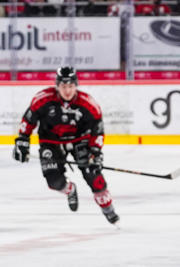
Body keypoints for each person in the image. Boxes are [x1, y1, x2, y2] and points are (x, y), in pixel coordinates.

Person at [13, 67, 119, 225]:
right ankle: (70, 190)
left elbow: (97, 129)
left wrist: (95, 153)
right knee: (54, 181)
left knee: (93, 175)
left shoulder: (88, 104)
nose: (67, 90)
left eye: (71, 86)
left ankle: (108, 209)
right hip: (51, 141)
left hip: (80, 140)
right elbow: (29, 120)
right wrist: (22, 141)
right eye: (63, 86)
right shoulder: (42, 99)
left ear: (76, 85)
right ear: (57, 86)